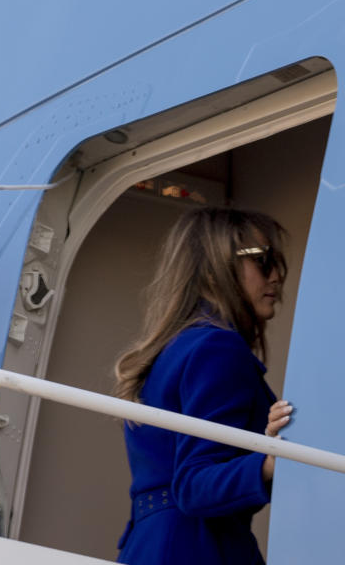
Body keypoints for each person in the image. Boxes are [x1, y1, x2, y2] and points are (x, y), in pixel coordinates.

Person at [113, 207, 294, 564]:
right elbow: (194, 485)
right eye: (262, 260)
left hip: (151, 546)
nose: (276, 275)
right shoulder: (218, 348)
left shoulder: (174, 347)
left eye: (278, 262)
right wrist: (270, 463)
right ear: (213, 269)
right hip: (197, 548)